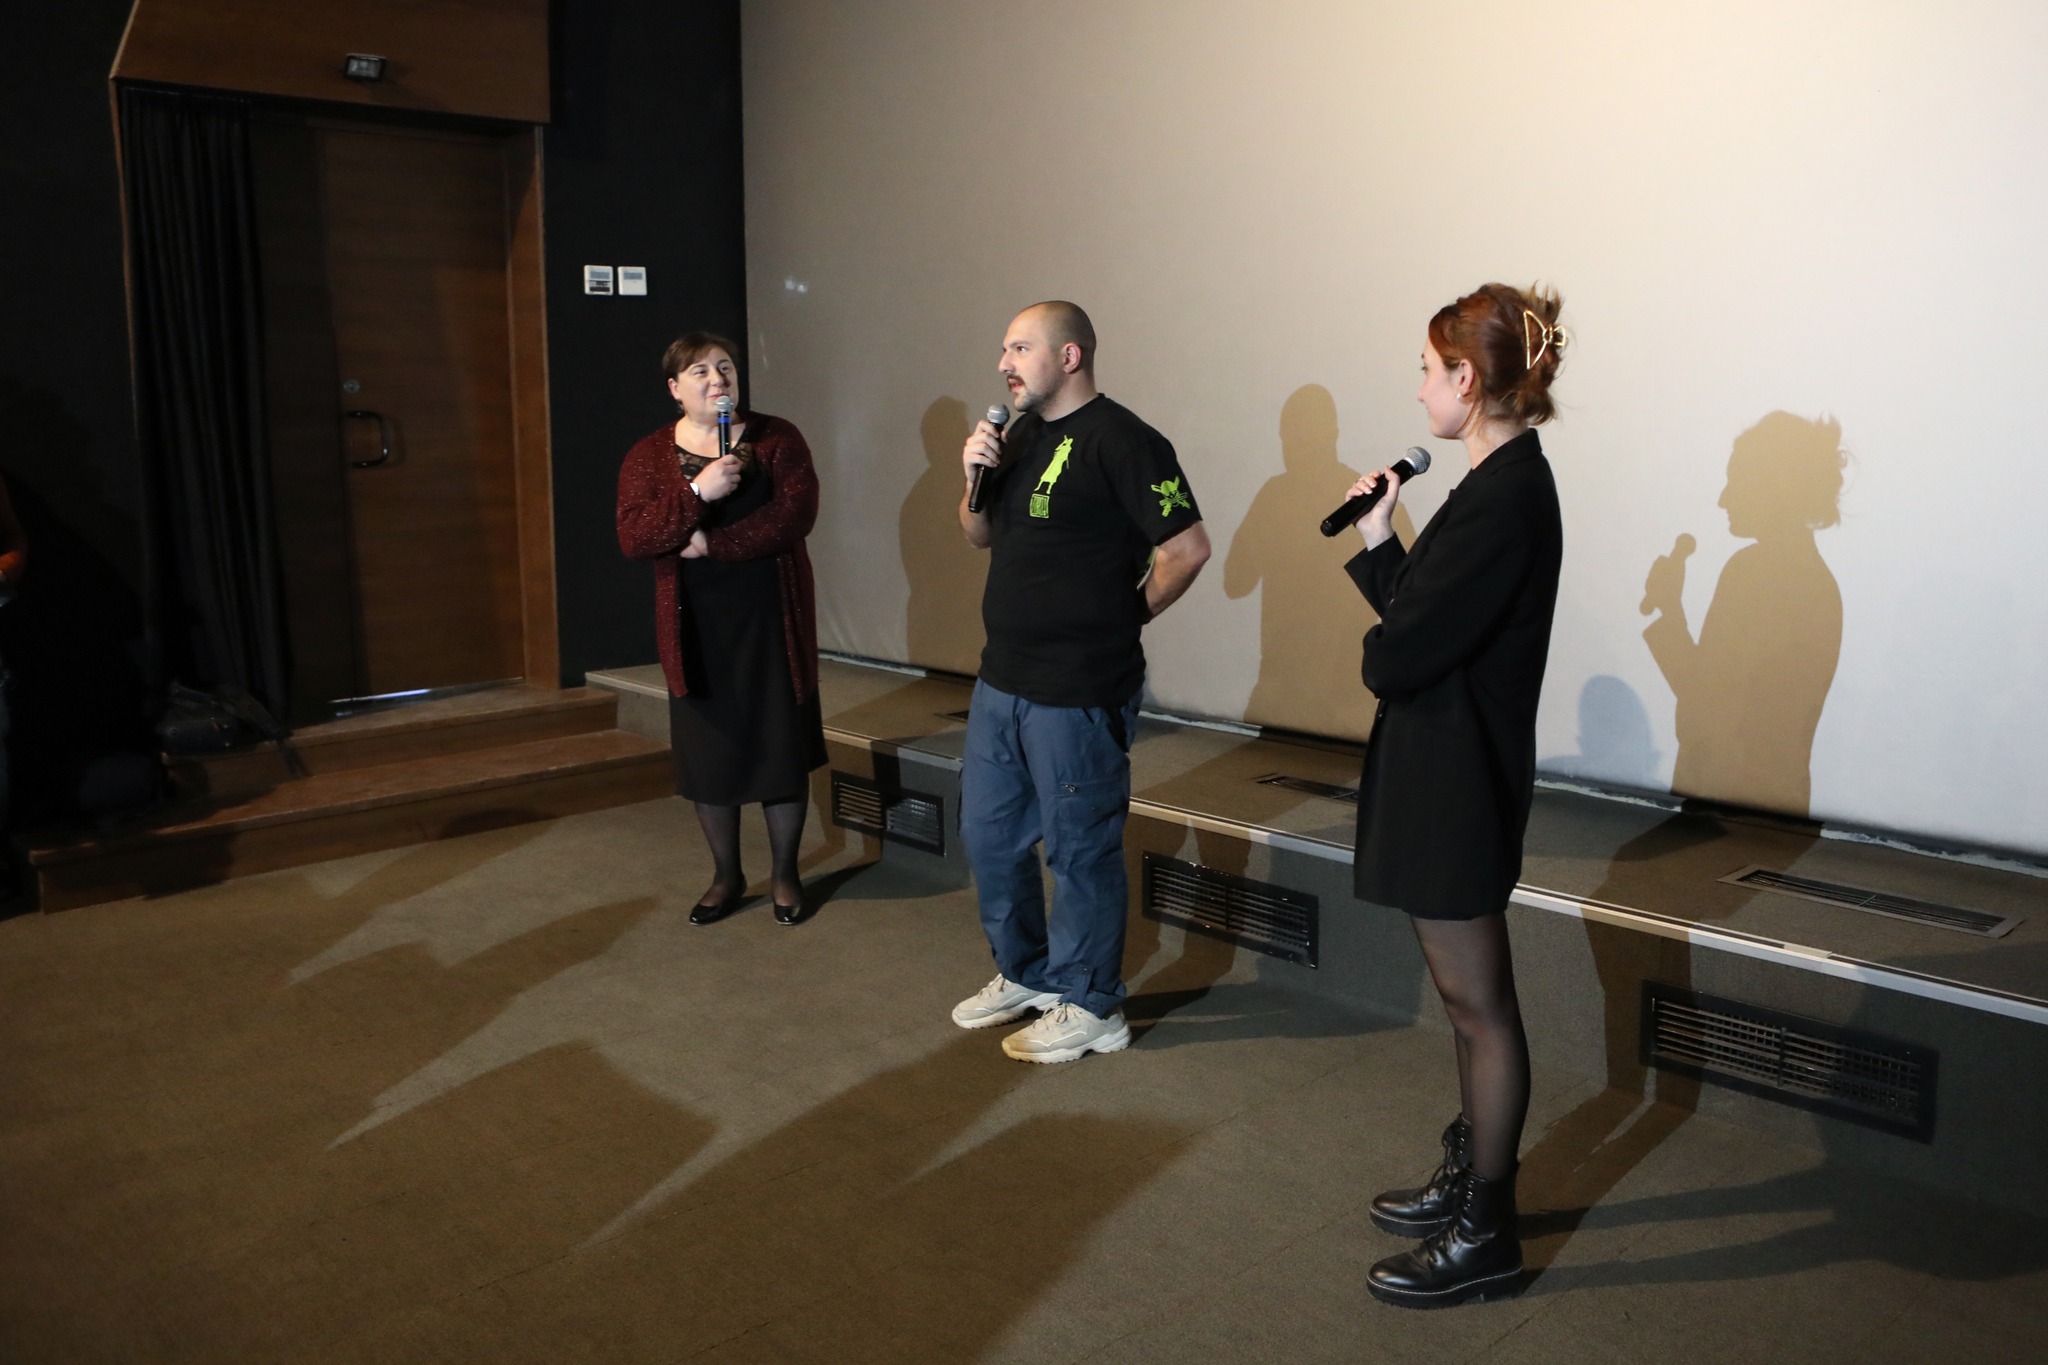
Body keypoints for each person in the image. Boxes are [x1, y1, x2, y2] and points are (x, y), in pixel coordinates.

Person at [1340, 284, 1567, 1308]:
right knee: (1467, 1005)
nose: (1420, 386)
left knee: (1481, 1010)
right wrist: (1379, 534)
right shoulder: (1492, 484)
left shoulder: (1505, 497)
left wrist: (1383, 642)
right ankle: (1471, 1177)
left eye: (1429, 370)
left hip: (1458, 777)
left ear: (1466, 379)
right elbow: (1425, 617)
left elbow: (1399, 655)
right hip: (1448, 765)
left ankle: (1488, 1229)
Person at [952, 301, 1211, 1063]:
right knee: (989, 838)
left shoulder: (1126, 440)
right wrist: (971, 478)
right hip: (1002, 678)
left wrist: (1123, 617)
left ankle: (1093, 1001)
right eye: (1003, 348)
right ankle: (1027, 972)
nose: (1004, 362)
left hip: (1078, 686)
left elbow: (1187, 548)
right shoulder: (1018, 435)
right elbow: (978, 533)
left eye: (1020, 347)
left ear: (1069, 355)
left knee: (1079, 849)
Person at [617, 332, 826, 927]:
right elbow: (635, 535)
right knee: (710, 755)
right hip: (695, 623)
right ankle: (726, 875)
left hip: (769, 616)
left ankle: (785, 874)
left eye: (725, 368)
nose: (718, 380)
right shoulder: (648, 454)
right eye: (701, 372)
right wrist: (696, 492)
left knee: (779, 745)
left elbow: (796, 514)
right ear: (674, 388)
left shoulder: (777, 437)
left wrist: (714, 544)